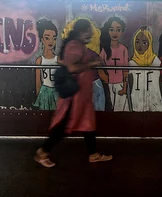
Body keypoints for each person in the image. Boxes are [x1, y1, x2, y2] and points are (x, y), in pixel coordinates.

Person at [34, 19, 113, 168]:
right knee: (64, 126)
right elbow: (71, 67)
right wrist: (91, 64)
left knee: (88, 124)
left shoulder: (77, 45)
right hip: (74, 98)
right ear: (80, 32)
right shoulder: (74, 45)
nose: (90, 34)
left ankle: (93, 154)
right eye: (87, 31)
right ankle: (42, 152)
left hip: (81, 96)